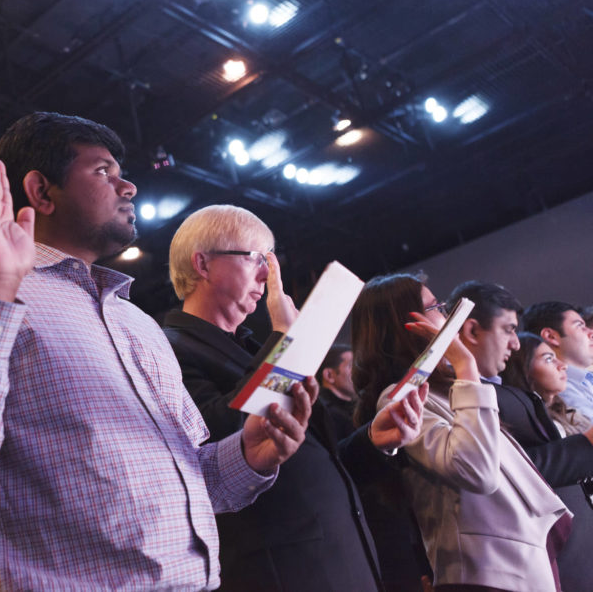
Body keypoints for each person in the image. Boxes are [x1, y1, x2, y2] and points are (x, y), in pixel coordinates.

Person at [0, 112, 312, 590]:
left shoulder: (138, 324)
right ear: (42, 192)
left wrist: (249, 454)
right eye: (103, 170)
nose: (127, 185)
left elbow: (193, 484)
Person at [161, 204, 426, 591]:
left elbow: (309, 458)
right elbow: (222, 438)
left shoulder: (253, 349)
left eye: (270, 260)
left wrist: (372, 441)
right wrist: (284, 340)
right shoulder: (168, 348)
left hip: (340, 561)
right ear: (202, 265)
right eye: (254, 257)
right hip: (283, 570)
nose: (267, 274)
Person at [353, 274, 572, 591]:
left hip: (512, 563)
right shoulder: (399, 397)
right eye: (436, 306)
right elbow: (478, 471)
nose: (446, 315)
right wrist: (465, 364)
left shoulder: (444, 388)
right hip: (485, 571)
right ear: (407, 324)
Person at [450, 281, 593, 590]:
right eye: (508, 330)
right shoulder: (463, 397)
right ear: (472, 331)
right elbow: (504, 472)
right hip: (539, 561)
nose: (515, 343)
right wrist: (586, 444)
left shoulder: (498, 391)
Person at [503, 332, 592, 436]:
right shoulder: (527, 424)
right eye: (549, 359)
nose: (563, 366)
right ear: (523, 370)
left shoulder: (566, 411)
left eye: (556, 358)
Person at [522, 302, 593, 427]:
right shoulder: (556, 390)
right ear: (551, 336)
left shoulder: (585, 380)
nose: (591, 333)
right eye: (580, 326)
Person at [317, 344, 357, 439]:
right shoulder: (323, 414)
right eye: (352, 366)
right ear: (329, 375)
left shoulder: (360, 409)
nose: (359, 372)